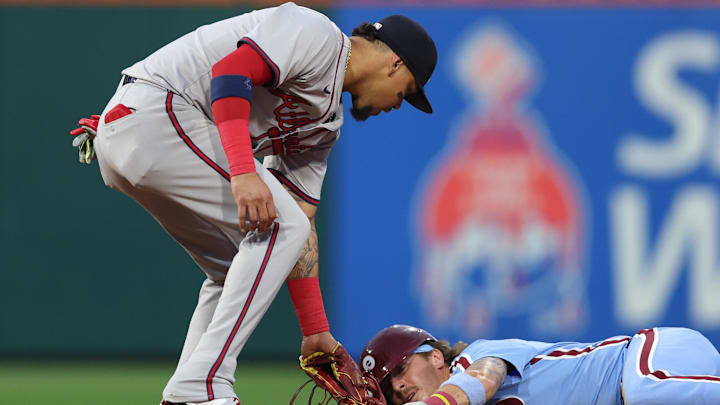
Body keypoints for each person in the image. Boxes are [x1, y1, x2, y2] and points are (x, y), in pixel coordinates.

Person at [69, 3, 437, 405]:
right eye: (408, 92)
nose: (399, 104)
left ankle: (185, 393)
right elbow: (230, 73)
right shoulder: (316, 33)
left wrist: (315, 330)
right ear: (395, 64)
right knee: (281, 227)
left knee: (237, 264)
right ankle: (204, 385)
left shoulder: (324, 125)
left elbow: (301, 224)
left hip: (150, 138)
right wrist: (244, 171)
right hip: (154, 112)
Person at [360, 324, 720, 405]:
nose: (397, 387)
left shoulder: (478, 356)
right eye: (388, 390)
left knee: (644, 393)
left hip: (650, 358)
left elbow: (485, 380)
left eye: (399, 371)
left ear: (435, 356)